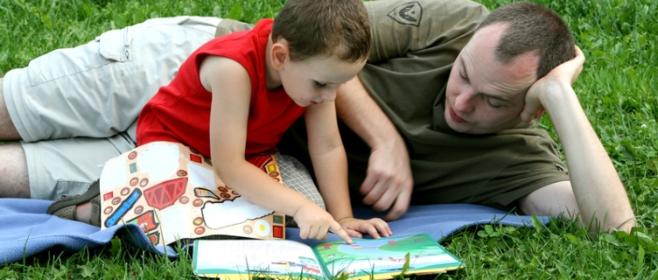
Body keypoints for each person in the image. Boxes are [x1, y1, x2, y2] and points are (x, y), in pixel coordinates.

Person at [0, 0, 634, 233]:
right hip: (192, 69)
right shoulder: (453, 19)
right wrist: (385, 139)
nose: (461, 101)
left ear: (532, 106)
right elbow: (325, 42)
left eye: (495, 100)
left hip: (212, 157)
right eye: (463, 74)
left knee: (13, 176)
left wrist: (561, 96)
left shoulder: (520, 158)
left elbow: (614, 228)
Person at [46, 0, 393, 243]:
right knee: (181, 214)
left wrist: (342, 217)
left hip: (244, 155)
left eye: (338, 85)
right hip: (175, 151)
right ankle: (93, 205)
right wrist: (297, 207)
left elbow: (328, 147)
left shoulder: (313, 77)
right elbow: (228, 167)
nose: (330, 96)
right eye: (322, 84)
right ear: (280, 56)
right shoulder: (233, 68)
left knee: (316, 215)